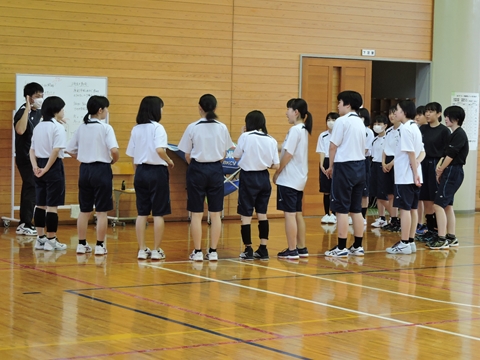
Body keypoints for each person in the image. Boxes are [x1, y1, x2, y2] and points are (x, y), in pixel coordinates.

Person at [178, 94, 233, 262]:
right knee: (215, 213)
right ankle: (213, 251)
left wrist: (196, 165)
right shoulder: (222, 127)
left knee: (196, 213)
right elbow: (224, 154)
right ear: (215, 108)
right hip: (216, 169)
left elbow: (186, 155)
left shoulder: (192, 127)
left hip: (197, 169)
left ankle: (198, 251)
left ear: (199, 107)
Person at [66, 95, 119, 257]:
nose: (107, 112)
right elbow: (114, 151)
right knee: (102, 211)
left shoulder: (82, 127)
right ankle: (100, 245)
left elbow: (69, 150)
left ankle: (81, 244)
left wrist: (82, 158)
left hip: (85, 170)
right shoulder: (105, 128)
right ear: (100, 110)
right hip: (101, 169)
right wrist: (112, 161)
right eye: (106, 108)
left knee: (84, 209)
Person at [126, 96, 174, 260]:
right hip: (157, 172)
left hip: (140, 172)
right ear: (155, 109)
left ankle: (141, 249)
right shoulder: (158, 128)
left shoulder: (136, 129)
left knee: (142, 213)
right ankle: (156, 250)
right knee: (158, 213)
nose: (162, 110)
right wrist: (169, 161)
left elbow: (132, 156)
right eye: (161, 107)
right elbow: (160, 150)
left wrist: (137, 172)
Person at [324, 91, 365, 258]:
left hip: (345, 166)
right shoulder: (360, 122)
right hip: (360, 167)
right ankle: (358, 245)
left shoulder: (342, 121)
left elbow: (333, 146)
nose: (338, 106)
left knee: (341, 209)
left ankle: (341, 247)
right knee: (356, 209)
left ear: (348, 105)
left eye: (339, 102)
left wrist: (331, 166)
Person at [233, 110, 279, 260]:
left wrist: (242, 135)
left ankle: (248, 249)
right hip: (263, 177)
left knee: (246, 215)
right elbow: (275, 165)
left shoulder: (245, 136)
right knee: (262, 213)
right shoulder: (271, 139)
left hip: (248, 177)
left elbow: (236, 156)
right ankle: (263, 249)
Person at [273, 98, 312, 260]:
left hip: (289, 179)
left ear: (296, 112)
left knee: (289, 215)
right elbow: (284, 147)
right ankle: (301, 248)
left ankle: (291, 249)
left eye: (288, 109)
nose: (286, 113)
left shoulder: (295, 130)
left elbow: (288, 154)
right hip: (299, 179)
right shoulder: (302, 130)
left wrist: (277, 172)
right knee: (297, 214)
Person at [29, 96, 68, 251]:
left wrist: (35, 167)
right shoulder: (57, 127)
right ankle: (51, 239)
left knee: (40, 204)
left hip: (38, 164)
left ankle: (40, 239)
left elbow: (31, 150)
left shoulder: (38, 126)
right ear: (56, 111)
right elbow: (56, 150)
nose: (64, 112)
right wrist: (46, 169)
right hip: (53, 166)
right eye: (62, 109)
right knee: (52, 205)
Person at [386, 100, 424, 255]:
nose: (396, 113)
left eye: (398, 110)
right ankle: (410, 241)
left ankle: (404, 242)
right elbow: (422, 152)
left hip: (405, 177)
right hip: (414, 176)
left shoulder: (406, 129)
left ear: (405, 112)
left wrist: (414, 173)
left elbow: (411, 153)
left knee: (405, 209)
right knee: (413, 209)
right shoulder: (415, 128)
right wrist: (417, 171)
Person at [428, 106, 468, 249]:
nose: (445, 119)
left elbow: (450, 156)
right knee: (448, 206)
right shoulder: (453, 133)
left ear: (456, 118)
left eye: (448, 116)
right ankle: (451, 237)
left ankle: (442, 238)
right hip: (450, 171)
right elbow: (445, 155)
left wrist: (440, 169)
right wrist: (440, 169)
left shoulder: (460, 134)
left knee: (438, 205)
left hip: (453, 171)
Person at [417, 102, 451, 242]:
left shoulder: (444, 131)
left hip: (435, 164)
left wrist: (441, 167)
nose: (428, 114)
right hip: (423, 163)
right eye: (426, 111)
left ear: (438, 114)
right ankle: (429, 228)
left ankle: (437, 230)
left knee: (434, 197)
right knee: (425, 198)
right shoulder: (423, 129)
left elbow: (447, 151)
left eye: (431, 111)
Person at [14, 82, 44, 236]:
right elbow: (20, 130)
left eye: (41, 96)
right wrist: (26, 108)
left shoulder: (41, 113)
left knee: (31, 187)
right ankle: (25, 223)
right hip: (24, 158)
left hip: (36, 157)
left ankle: (26, 222)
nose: (40, 99)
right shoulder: (21, 113)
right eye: (37, 96)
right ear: (29, 97)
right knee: (31, 185)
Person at [381, 106, 402, 232]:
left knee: (396, 193)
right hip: (387, 161)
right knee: (389, 194)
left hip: (397, 162)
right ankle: (393, 219)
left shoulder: (403, 130)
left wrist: (392, 163)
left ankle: (398, 220)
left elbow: (401, 151)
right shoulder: (388, 131)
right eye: (390, 113)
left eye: (394, 113)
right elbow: (384, 149)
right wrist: (384, 162)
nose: (391, 116)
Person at [317, 112, 339, 224]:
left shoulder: (340, 135)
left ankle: (334, 214)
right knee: (326, 190)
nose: (331, 122)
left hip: (336, 161)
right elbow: (321, 150)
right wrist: (321, 165)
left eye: (333, 120)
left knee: (334, 189)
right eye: (329, 119)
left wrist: (334, 165)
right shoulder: (323, 135)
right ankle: (326, 214)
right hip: (325, 161)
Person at [370, 115, 389, 228]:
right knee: (377, 194)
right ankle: (381, 217)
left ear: (385, 126)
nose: (376, 126)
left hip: (384, 166)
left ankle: (393, 216)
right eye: (375, 124)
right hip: (375, 165)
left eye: (379, 124)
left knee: (384, 195)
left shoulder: (388, 138)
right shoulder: (374, 140)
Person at [359, 108, 375, 225]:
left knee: (364, 190)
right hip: (354, 161)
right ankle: (355, 213)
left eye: (361, 116)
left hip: (363, 160)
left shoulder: (368, 132)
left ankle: (363, 216)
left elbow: (366, 150)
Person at [414, 105, 428, 235]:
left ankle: (423, 222)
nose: (417, 117)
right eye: (416, 114)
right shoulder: (417, 129)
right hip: (419, 166)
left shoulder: (426, 130)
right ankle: (418, 222)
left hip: (426, 165)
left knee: (425, 198)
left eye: (420, 114)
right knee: (418, 198)